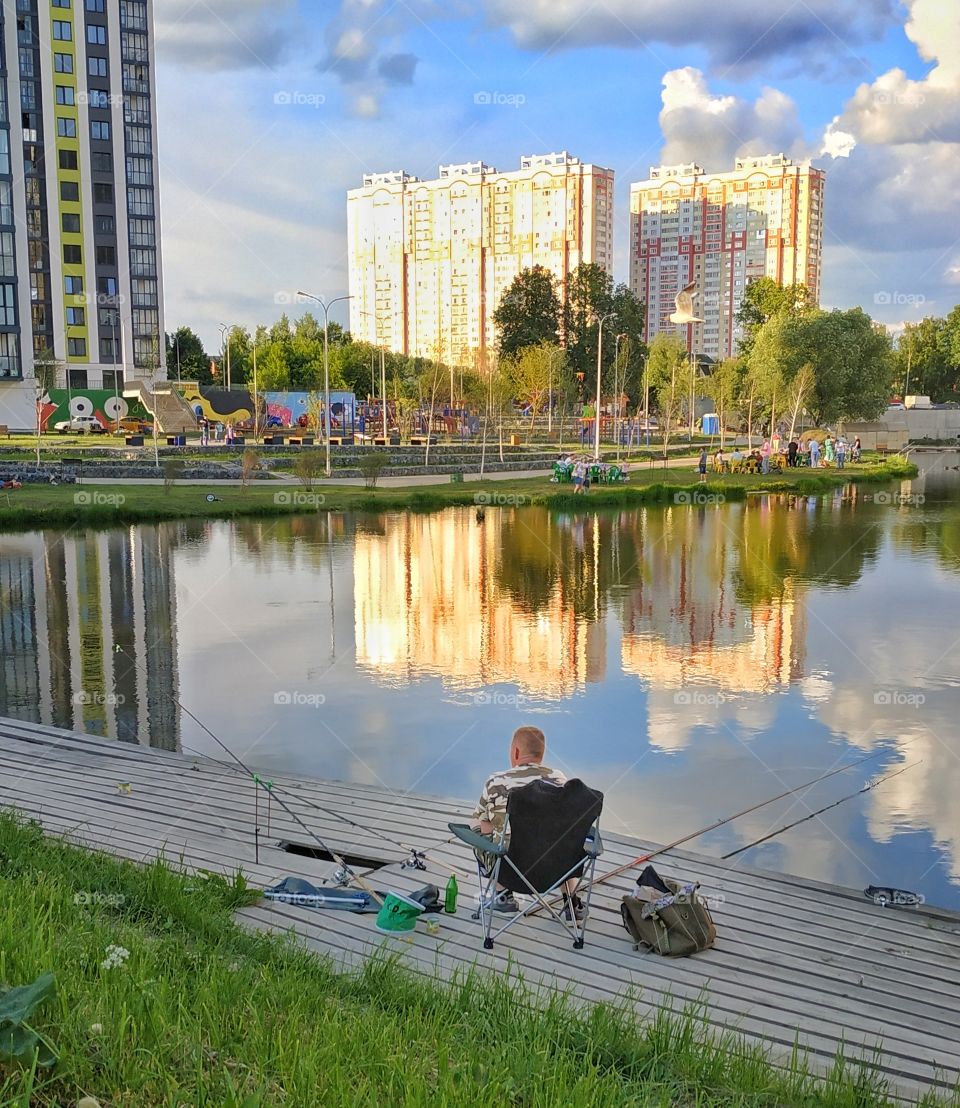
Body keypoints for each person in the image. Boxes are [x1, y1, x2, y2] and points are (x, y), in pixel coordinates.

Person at [472, 726, 576, 915]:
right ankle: (571, 903)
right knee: (565, 840)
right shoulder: (559, 779)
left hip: (510, 871)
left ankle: (502, 895)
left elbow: (483, 826)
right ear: (542, 754)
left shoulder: (496, 782)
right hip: (555, 870)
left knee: (478, 832)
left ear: (516, 752)